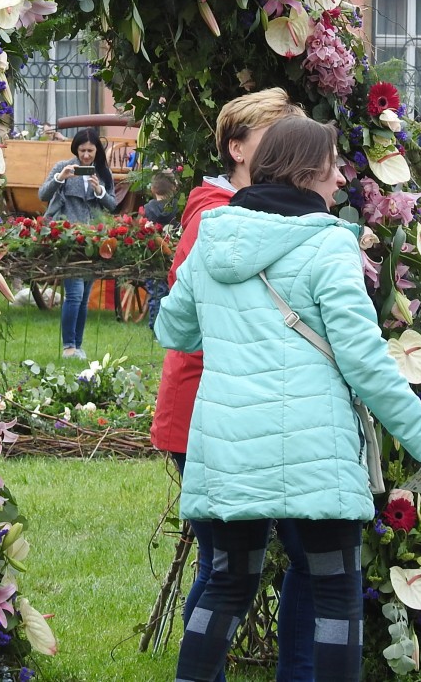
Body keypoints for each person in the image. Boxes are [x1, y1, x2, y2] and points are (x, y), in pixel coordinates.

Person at [154, 116, 421, 682]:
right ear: (307, 170)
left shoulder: (214, 235)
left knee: (226, 584)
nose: (341, 178)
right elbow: (364, 361)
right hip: (314, 449)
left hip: (229, 448)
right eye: (334, 164)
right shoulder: (327, 245)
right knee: (333, 591)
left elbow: (174, 331)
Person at [148, 87, 313, 682]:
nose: (291, 152)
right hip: (210, 410)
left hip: (248, 409)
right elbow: (185, 325)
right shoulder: (214, 216)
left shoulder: (263, 209)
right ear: (238, 148)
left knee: (276, 558)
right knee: (225, 567)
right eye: (277, 138)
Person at [38, 127, 118, 358]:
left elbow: (112, 205)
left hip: (94, 239)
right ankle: (68, 346)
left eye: (90, 151)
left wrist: (100, 190)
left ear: (96, 151)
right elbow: (43, 195)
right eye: (82, 150)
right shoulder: (64, 167)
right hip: (69, 237)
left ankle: (77, 346)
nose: (85, 156)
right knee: (74, 294)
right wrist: (59, 178)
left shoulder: (103, 172)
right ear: (76, 149)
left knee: (83, 298)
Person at [141, 171, 179, 329]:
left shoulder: (148, 209)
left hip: (154, 255)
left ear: (153, 190)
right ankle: (171, 328)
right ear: (173, 189)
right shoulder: (177, 207)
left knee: (156, 293)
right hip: (174, 253)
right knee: (174, 293)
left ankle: (156, 327)